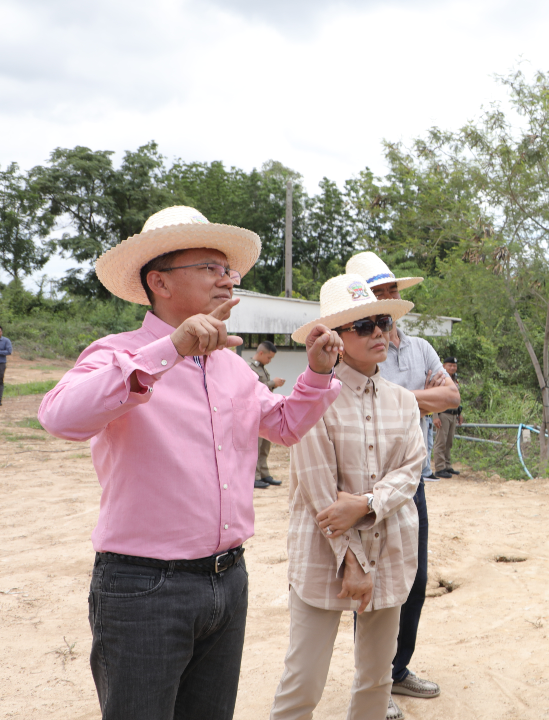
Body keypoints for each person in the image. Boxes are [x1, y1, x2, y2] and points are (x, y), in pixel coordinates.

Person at [38, 205, 344, 720]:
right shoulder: (118, 353)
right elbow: (60, 417)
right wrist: (169, 350)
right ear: (159, 281)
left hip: (228, 578)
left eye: (229, 270)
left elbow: (284, 427)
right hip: (143, 587)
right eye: (210, 268)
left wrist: (315, 373)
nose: (227, 281)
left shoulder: (233, 368)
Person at [269, 273, 427, 720]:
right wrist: (353, 561)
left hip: (391, 550)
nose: (378, 332)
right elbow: (320, 490)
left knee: (376, 680)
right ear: (335, 339)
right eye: (362, 325)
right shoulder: (315, 396)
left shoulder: (403, 401)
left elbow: (411, 469)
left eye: (381, 321)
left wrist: (366, 504)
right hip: (325, 555)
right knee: (303, 680)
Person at [345, 251, 459, 718]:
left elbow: (449, 395)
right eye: (380, 293)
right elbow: (351, 405)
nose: (390, 299)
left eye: (393, 291)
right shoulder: (350, 350)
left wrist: (390, 398)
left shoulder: (419, 350)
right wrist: (417, 401)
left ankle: (396, 670)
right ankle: (372, 685)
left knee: (411, 579)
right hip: (363, 488)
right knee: (369, 582)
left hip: (412, 483)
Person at [249, 340, 287, 488]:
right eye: (269, 358)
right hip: (254, 412)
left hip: (265, 412)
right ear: (261, 353)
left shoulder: (262, 368)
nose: (270, 361)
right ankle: (255, 477)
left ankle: (264, 474)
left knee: (265, 446)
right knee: (256, 446)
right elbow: (250, 388)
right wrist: (272, 383)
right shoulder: (249, 367)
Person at [432, 357, 462, 477]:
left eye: (454, 366)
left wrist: (459, 414)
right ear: (444, 366)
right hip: (443, 414)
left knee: (449, 442)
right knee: (441, 442)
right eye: (450, 365)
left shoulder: (454, 380)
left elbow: (457, 398)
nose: (453, 368)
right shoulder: (441, 379)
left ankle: (447, 466)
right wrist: (435, 416)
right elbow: (434, 397)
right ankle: (439, 468)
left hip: (453, 414)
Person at [0, 323, 10, 405]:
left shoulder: (6, 341)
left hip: (1, 364)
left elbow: (9, 351)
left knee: (0, 381)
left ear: (1, 332)